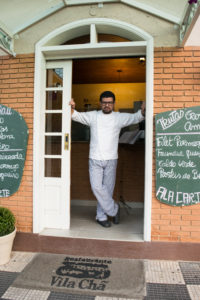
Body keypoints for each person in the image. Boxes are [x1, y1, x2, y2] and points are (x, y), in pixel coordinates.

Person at [69, 91, 145, 228]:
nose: (107, 105)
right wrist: (72, 107)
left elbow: (136, 117)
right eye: (104, 102)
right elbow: (75, 116)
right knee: (97, 187)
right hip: (94, 158)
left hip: (111, 159)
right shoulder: (93, 116)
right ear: (100, 103)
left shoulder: (119, 117)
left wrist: (143, 110)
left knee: (108, 190)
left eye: (110, 102)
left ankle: (101, 216)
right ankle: (114, 210)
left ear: (114, 103)